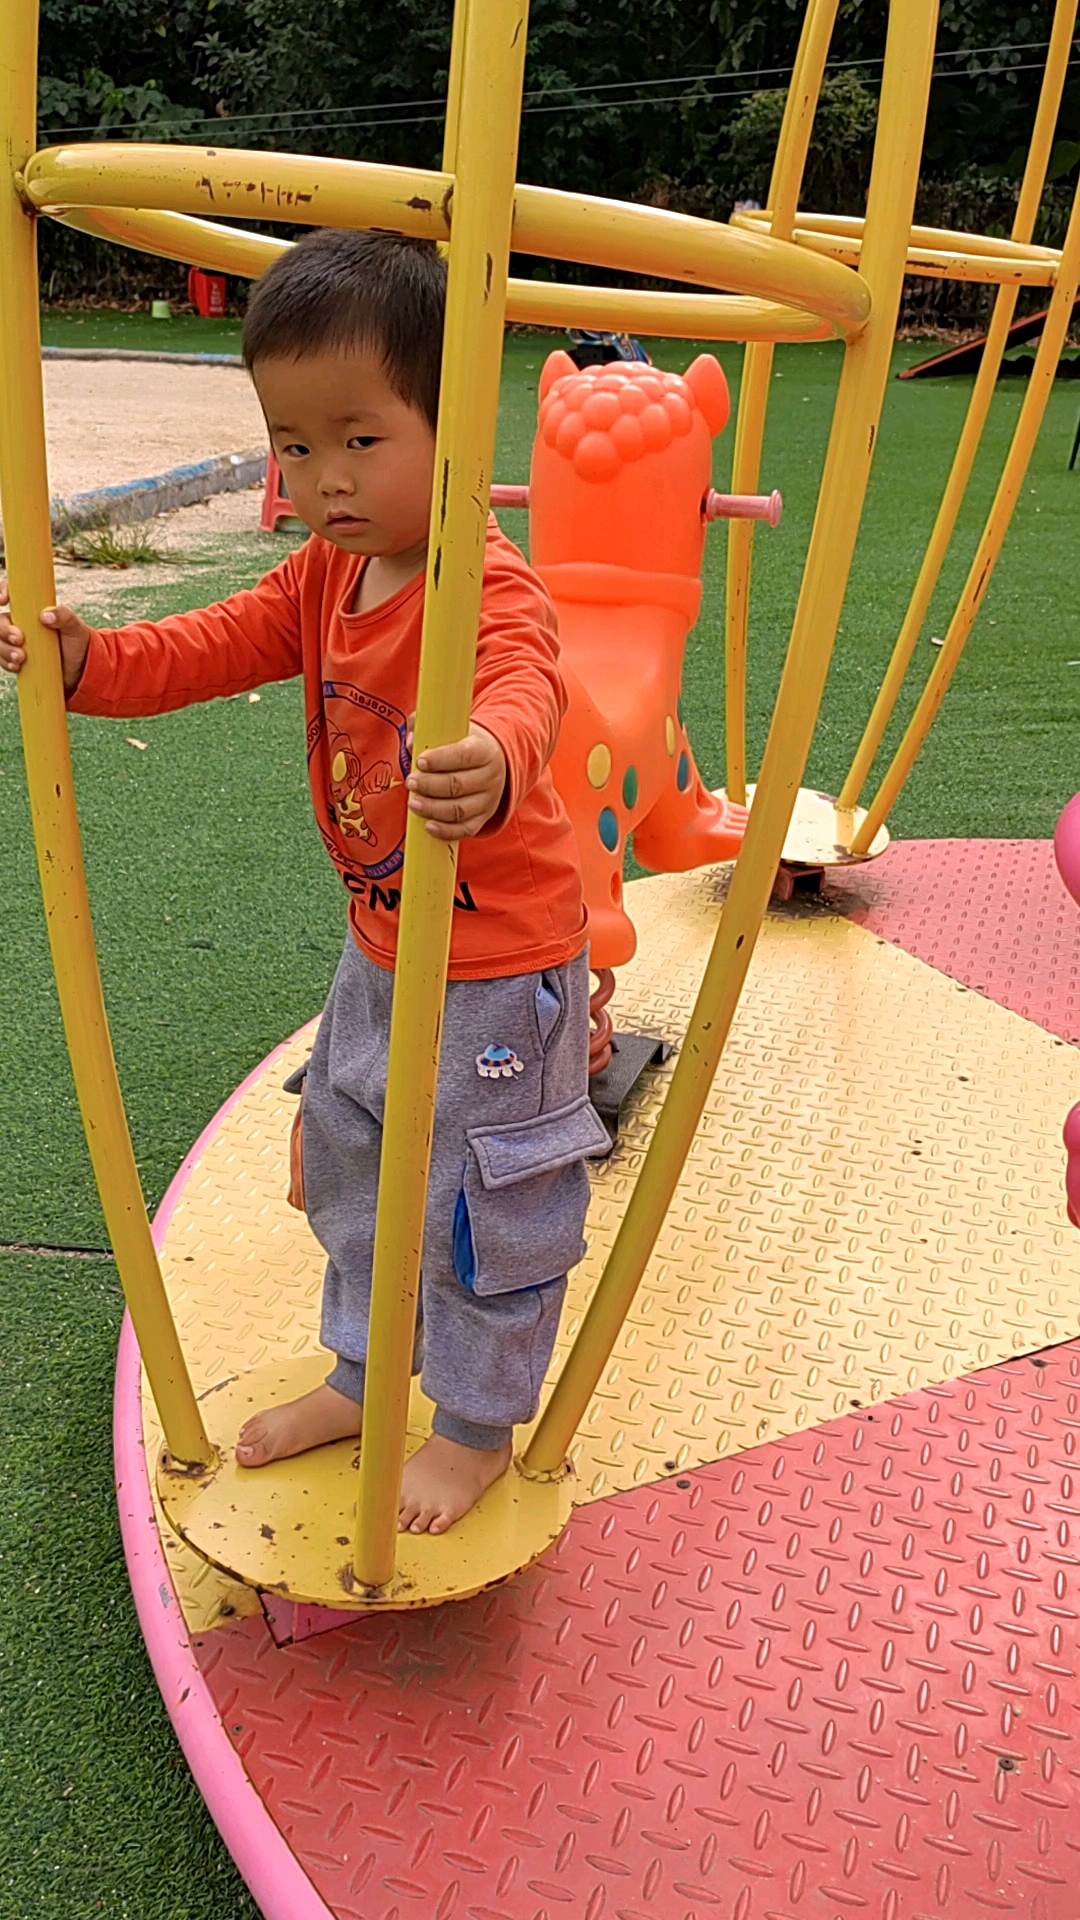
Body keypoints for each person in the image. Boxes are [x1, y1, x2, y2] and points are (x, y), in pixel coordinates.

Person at [0, 228, 607, 1535]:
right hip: (381, 942)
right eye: (293, 445)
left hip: (499, 970)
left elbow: (525, 679)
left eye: (360, 439)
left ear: (452, 429)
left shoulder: (478, 581)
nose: (324, 478)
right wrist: (96, 664)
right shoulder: (328, 570)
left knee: (480, 1198)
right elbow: (218, 641)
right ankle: (360, 1370)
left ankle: (474, 1425)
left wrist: (496, 756)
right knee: (347, 1159)